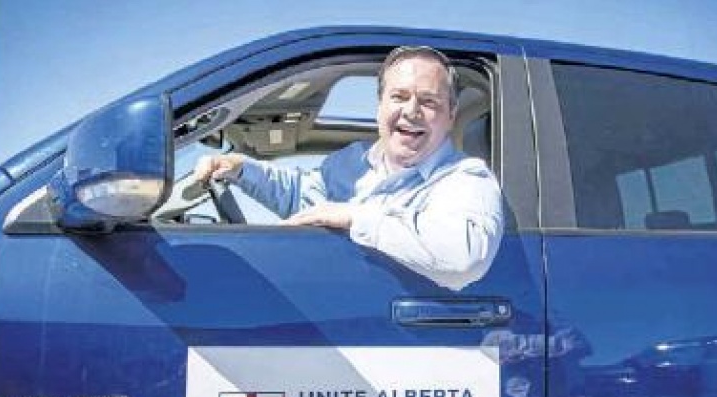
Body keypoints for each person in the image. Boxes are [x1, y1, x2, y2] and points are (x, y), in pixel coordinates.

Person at [193, 46, 503, 291]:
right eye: (399, 97)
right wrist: (240, 168)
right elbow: (302, 196)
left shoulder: (466, 178)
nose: (411, 111)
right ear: (380, 106)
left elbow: (465, 257)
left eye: (429, 101)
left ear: (451, 115)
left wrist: (355, 216)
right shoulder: (352, 160)